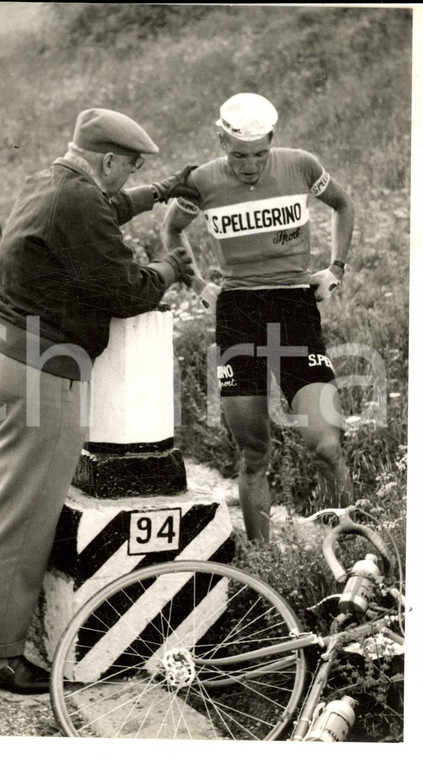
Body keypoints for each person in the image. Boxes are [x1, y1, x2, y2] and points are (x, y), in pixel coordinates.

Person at [0, 107, 197, 693]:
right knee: (22, 517)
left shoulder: (50, 181)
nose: (130, 175)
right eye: (131, 166)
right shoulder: (81, 198)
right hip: (38, 371)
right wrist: (169, 267)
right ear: (108, 159)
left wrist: (160, 192)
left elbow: (105, 210)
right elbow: (121, 290)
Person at [161, 92, 354, 543]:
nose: (250, 165)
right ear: (220, 138)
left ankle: (352, 554)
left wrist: (336, 269)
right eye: (239, 154)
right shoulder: (202, 181)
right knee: (253, 452)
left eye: (260, 153)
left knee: (326, 446)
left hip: (295, 307)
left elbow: (344, 205)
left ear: (273, 140)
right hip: (239, 314)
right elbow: (171, 229)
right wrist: (198, 286)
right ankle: (263, 562)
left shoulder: (301, 164)